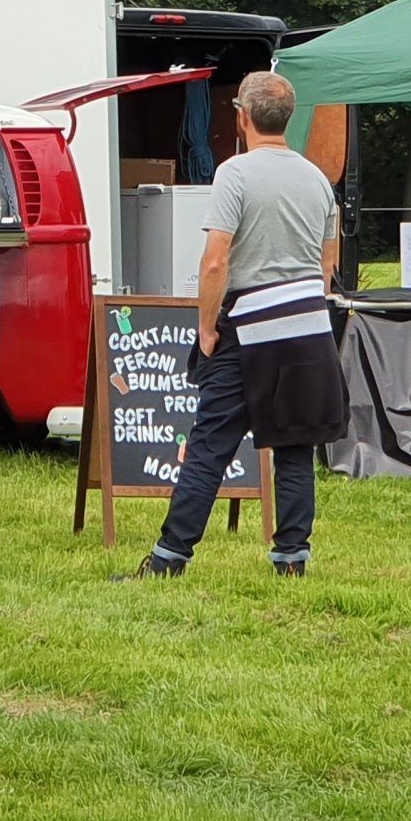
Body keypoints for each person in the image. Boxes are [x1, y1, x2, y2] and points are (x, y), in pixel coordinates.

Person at [128, 72, 346, 579]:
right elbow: (327, 263)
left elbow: (215, 261)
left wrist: (207, 327)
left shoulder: (235, 173)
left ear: (241, 116)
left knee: (210, 445)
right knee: (295, 446)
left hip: (248, 325)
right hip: (307, 326)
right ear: (289, 117)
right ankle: (291, 559)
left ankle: (170, 557)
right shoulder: (317, 179)